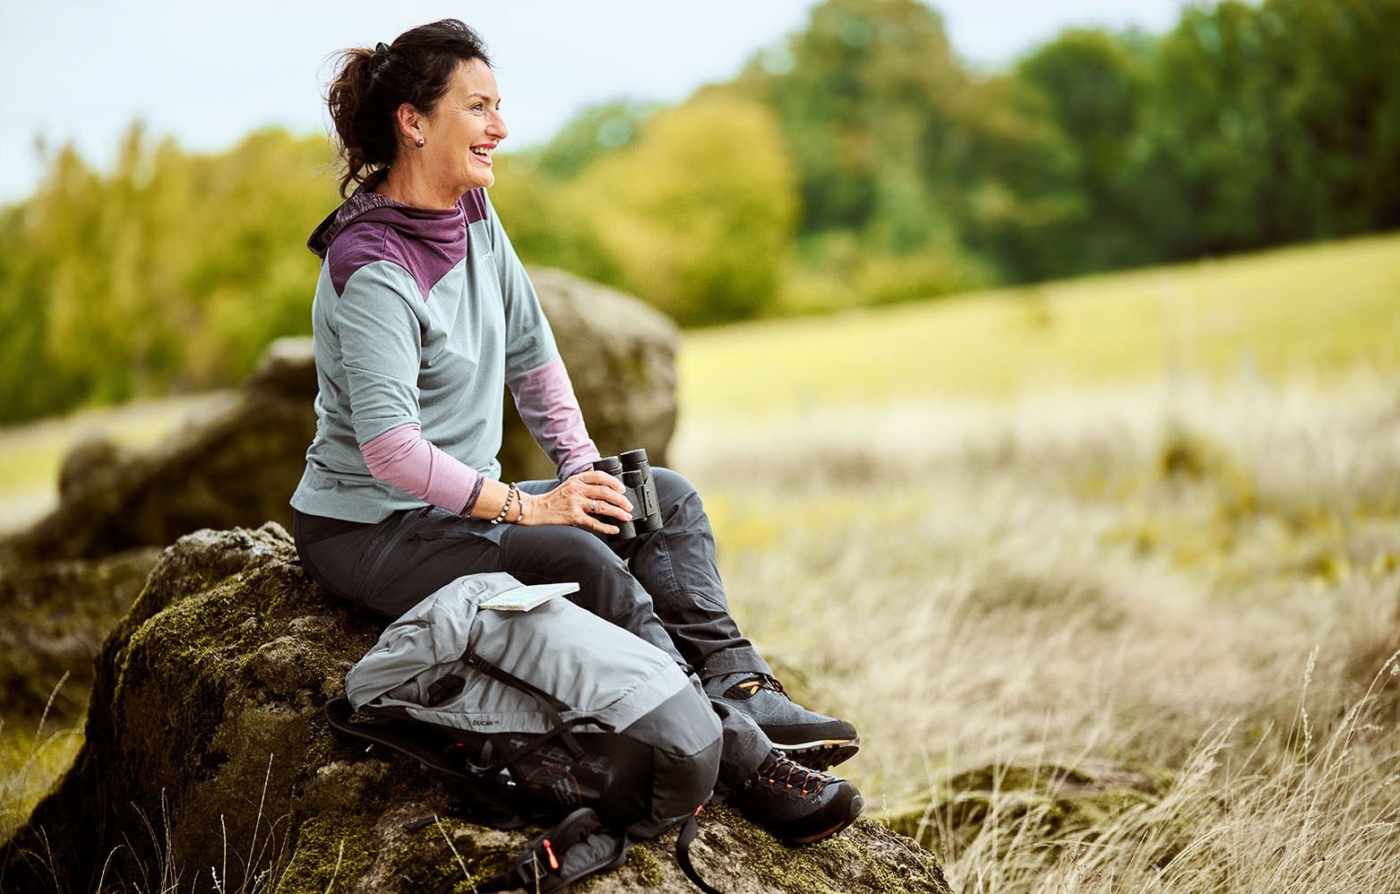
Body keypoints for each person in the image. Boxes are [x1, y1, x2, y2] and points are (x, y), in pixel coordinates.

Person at [290, 18, 863, 846]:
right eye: (478, 107)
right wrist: (531, 512)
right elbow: (391, 450)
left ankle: (741, 690)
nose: (500, 127)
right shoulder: (372, 266)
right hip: (372, 527)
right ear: (413, 122)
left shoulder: (474, 212)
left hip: (459, 508)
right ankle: (746, 761)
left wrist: (585, 474)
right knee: (576, 557)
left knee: (655, 498)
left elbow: (532, 351)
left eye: (499, 106)